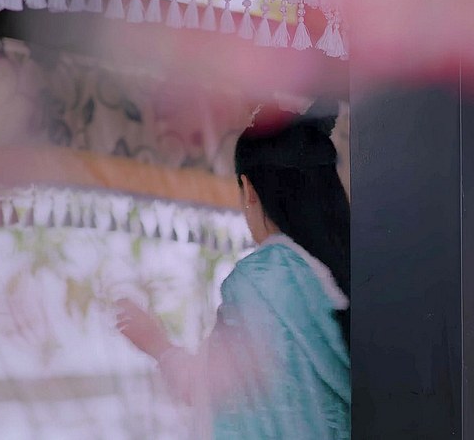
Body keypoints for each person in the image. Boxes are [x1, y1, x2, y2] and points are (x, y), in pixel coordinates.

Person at [114, 99, 351, 439]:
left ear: (249, 190)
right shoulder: (357, 272)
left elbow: (217, 391)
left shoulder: (261, 282)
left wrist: (158, 345)